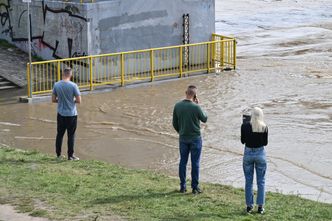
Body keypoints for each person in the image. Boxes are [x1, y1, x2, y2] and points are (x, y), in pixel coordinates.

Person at [172, 85, 208, 194]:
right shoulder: (196, 107)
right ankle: (194, 187)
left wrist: (181, 132)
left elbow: (174, 123)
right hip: (195, 138)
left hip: (183, 138)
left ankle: (182, 186)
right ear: (194, 95)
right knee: (195, 163)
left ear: (185, 92)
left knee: (183, 162)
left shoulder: (177, 106)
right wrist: (198, 105)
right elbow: (205, 119)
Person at [241, 107, 268, 214]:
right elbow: (265, 143)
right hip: (260, 153)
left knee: (248, 181)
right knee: (261, 181)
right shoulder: (264, 127)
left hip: (248, 153)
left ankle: (249, 206)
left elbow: (243, 141)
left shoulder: (244, 126)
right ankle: (260, 207)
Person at [52, 67, 81, 161]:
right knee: (71, 135)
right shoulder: (73, 85)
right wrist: (72, 100)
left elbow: (53, 100)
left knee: (59, 134)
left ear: (62, 74)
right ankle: (70, 156)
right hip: (71, 115)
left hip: (61, 114)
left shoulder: (56, 85)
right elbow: (79, 100)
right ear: (70, 75)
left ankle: (58, 155)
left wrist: (60, 100)